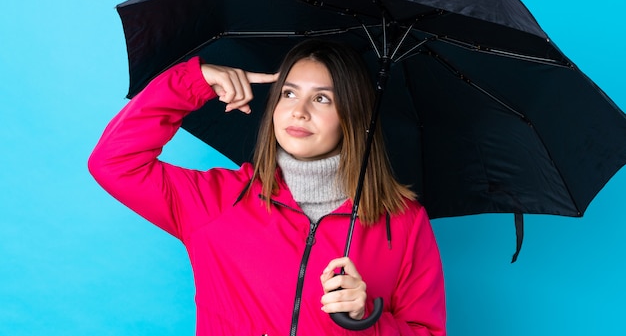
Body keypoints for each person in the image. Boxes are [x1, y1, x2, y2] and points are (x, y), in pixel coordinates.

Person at [88, 39, 446, 335]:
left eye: (322, 98)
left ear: (353, 115)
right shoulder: (215, 201)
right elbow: (113, 163)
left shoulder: (403, 222)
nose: (299, 111)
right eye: (288, 94)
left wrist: (368, 321)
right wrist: (195, 82)